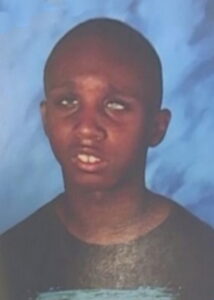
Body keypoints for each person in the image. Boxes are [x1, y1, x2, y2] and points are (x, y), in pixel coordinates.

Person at [0, 18, 214, 300]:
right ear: (46, 118)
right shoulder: (10, 258)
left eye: (115, 105)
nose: (87, 127)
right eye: (67, 102)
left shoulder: (204, 256)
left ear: (157, 127)